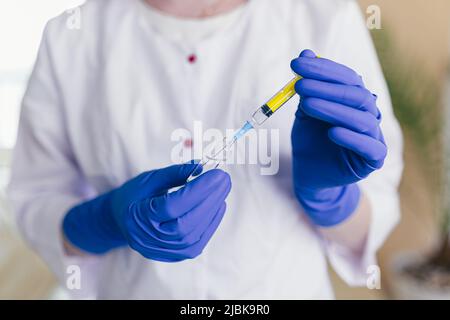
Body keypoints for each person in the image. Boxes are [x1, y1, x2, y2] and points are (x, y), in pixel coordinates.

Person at [7, 0, 403, 299]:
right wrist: (104, 220)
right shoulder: (72, 36)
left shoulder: (323, 15)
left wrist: (330, 196)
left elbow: (374, 215)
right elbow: (35, 199)